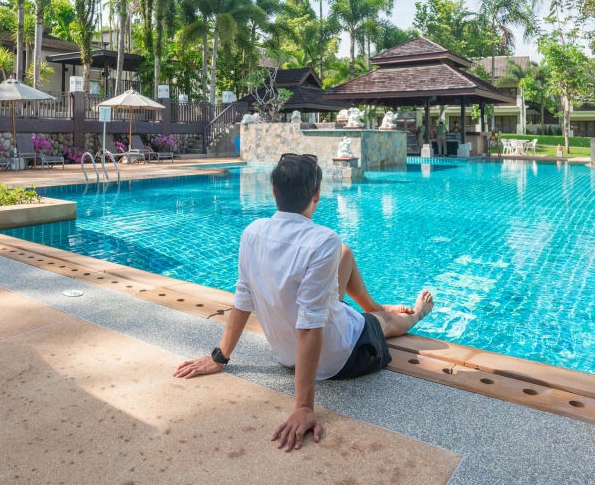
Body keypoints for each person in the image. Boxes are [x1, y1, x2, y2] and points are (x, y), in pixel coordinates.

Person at [173, 154, 434, 452]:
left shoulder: (252, 233)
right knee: (383, 324)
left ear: (274, 193)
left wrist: (219, 357)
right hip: (340, 358)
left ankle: (374, 305)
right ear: (317, 196)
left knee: (345, 254)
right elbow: (311, 327)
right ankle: (413, 314)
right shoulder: (323, 240)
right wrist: (304, 407)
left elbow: (243, 300)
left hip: (287, 356)